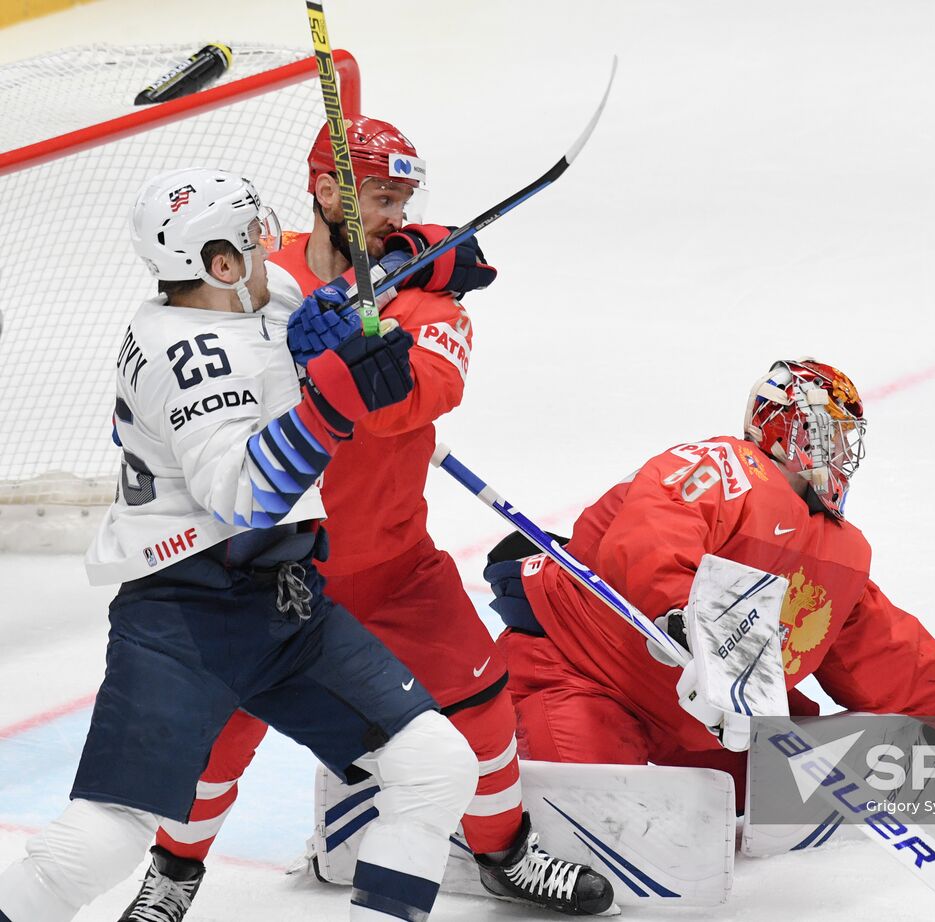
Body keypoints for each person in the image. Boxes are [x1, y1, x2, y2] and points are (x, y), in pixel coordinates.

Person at [122, 117, 611, 921]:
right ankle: (171, 879)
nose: (394, 212)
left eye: (403, 199)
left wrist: (353, 346)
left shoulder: (429, 299)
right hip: (266, 570)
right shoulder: (251, 279)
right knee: (215, 736)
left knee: (483, 707)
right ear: (325, 190)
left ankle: (504, 854)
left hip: (392, 567)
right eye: (380, 195)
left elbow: (415, 399)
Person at [0, 168, 475, 922]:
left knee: (436, 765)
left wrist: (410, 258)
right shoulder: (184, 360)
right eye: (255, 237)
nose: (271, 245)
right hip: (184, 616)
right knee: (104, 841)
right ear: (221, 265)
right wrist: (332, 404)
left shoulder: (240, 296)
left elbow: (314, 302)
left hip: (285, 604)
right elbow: (246, 497)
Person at [484, 359, 935, 804]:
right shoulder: (724, 468)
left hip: (703, 719)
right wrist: (684, 621)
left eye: (848, 438)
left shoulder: (836, 545)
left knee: (807, 777)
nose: (844, 453)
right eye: (831, 435)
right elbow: (655, 532)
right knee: (596, 810)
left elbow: (873, 645)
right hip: (582, 672)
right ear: (790, 428)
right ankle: (476, 797)